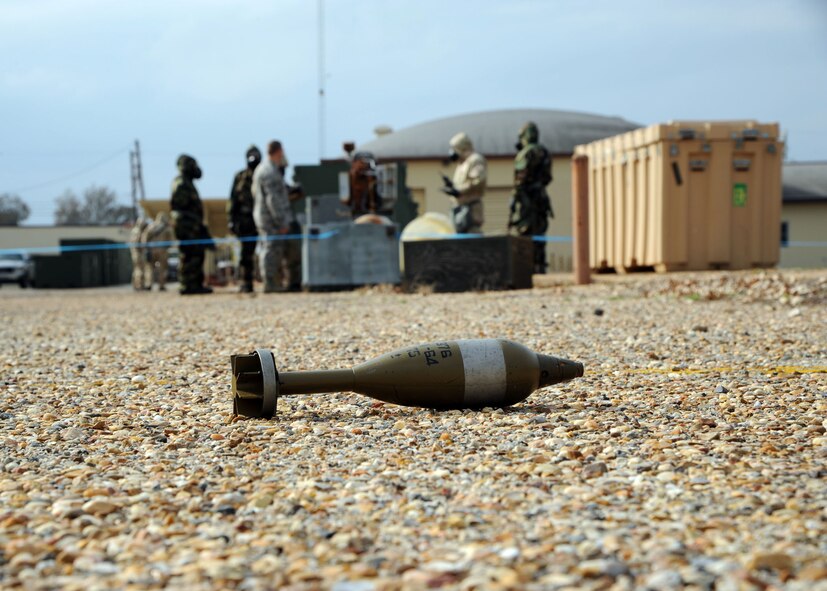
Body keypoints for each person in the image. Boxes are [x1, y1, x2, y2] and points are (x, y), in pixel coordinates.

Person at [508, 122, 553, 274]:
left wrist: (515, 199)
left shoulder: (525, 154)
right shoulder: (544, 152)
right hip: (541, 198)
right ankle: (540, 266)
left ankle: (526, 269)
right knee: (540, 233)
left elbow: (520, 180)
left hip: (527, 200)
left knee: (524, 233)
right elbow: (547, 178)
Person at [252, 140, 296, 293]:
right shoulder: (269, 172)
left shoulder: (262, 169)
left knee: (270, 247)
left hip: (264, 216)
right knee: (271, 249)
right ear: (278, 151)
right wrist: (282, 221)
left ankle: (272, 282)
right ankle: (270, 283)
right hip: (270, 219)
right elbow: (273, 200)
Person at [170, 154, 214, 295]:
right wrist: (191, 223)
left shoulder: (187, 183)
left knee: (196, 254)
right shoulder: (181, 183)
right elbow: (179, 207)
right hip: (187, 227)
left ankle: (194, 284)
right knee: (189, 254)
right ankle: (187, 285)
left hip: (193, 226)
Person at [228, 145, 261, 293]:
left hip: (263, 217)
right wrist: (232, 220)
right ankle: (245, 282)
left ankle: (272, 280)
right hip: (246, 220)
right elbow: (233, 199)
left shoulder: (263, 174)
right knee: (246, 254)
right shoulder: (240, 176)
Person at [440, 132, 487, 233]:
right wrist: (452, 187)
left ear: (461, 147)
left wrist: (459, 190)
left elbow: (478, 180)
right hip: (459, 208)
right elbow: (462, 183)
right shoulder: (462, 164)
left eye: (454, 148)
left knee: (472, 237)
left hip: (470, 209)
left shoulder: (475, 160)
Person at [142, 211, 174, 291]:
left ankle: (149, 284)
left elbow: (144, 238)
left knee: (149, 268)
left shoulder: (150, 226)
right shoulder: (166, 228)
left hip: (151, 250)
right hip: (162, 250)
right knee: (162, 268)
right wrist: (166, 247)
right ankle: (161, 285)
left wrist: (147, 248)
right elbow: (171, 240)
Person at [129, 217, 150, 291]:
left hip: (135, 253)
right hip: (138, 253)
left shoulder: (134, 230)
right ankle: (139, 285)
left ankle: (136, 285)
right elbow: (137, 243)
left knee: (137, 269)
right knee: (139, 270)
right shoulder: (139, 231)